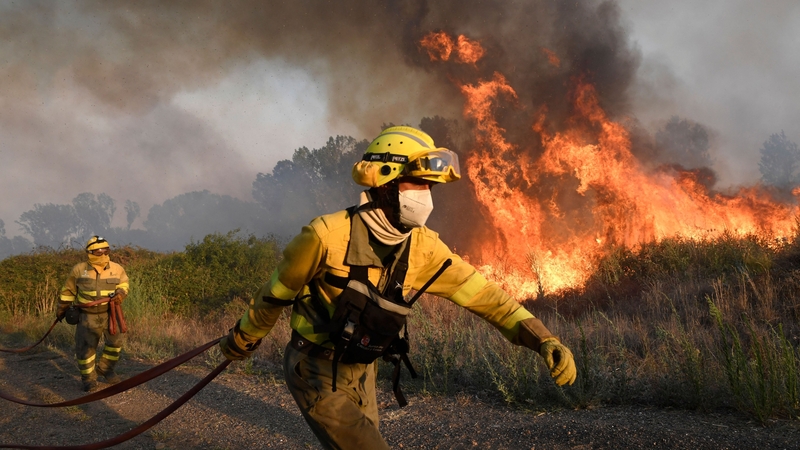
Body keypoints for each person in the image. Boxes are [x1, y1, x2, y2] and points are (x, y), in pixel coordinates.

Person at [219, 126, 576, 449]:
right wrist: (245, 337)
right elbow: (275, 294)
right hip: (315, 369)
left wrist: (542, 338)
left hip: (363, 368)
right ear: (386, 182)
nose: (427, 196)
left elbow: (484, 296)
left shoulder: (423, 247)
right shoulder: (325, 236)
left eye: (430, 186)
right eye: (418, 184)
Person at [57, 236, 130, 392]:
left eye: (106, 250)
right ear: (89, 252)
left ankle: (106, 369)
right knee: (86, 348)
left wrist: (121, 293)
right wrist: (62, 309)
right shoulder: (79, 270)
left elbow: (124, 283)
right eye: (98, 251)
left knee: (115, 344)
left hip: (110, 313)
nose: (102, 254)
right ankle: (89, 379)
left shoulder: (117, 268)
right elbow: (68, 291)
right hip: (87, 315)